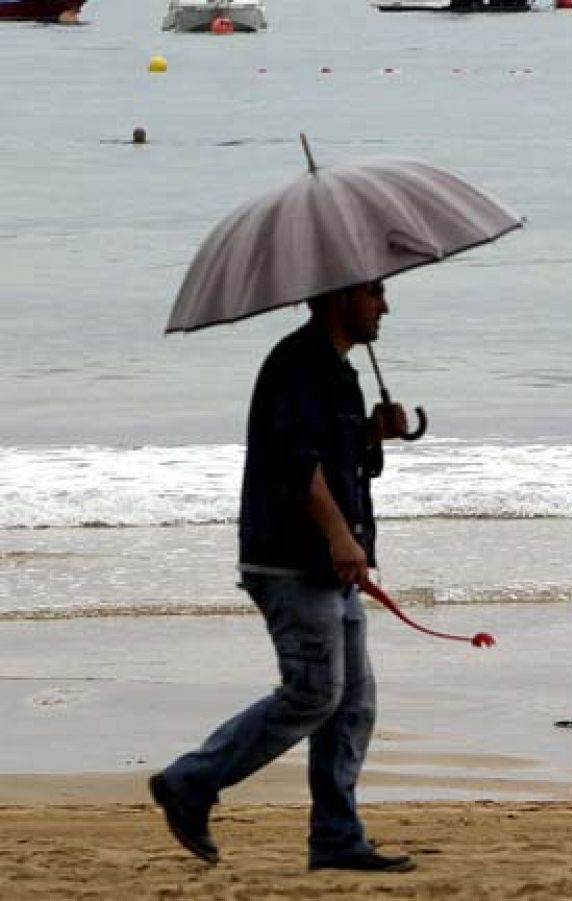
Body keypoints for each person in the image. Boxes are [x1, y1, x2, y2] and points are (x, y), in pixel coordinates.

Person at [149, 279, 416, 873]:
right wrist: (339, 535)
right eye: (375, 293)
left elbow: (337, 458)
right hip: (291, 559)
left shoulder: (338, 373)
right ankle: (191, 781)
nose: (385, 307)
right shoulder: (297, 365)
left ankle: (336, 838)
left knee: (351, 704)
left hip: (327, 561)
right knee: (314, 693)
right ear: (341, 297)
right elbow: (299, 465)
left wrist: (373, 433)